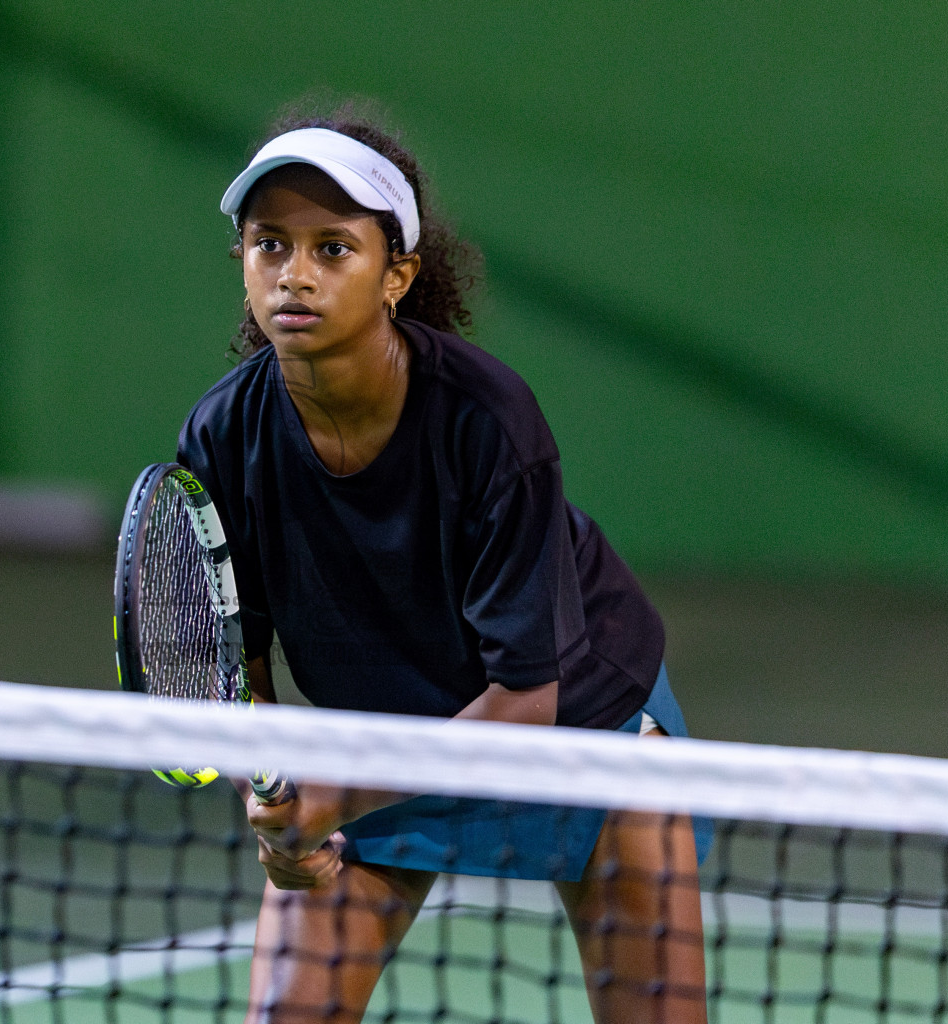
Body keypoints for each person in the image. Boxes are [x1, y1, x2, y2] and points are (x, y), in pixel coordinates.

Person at [177, 104, 709, 1024]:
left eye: (333, 249)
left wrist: (332, 794)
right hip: (382, 744)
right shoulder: (223, 434)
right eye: (269, 245)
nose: (294, 274)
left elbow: (526, 701)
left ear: (398, 274)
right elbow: (238, 666)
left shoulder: (486, 419)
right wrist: (277, 795)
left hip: (583, 730)